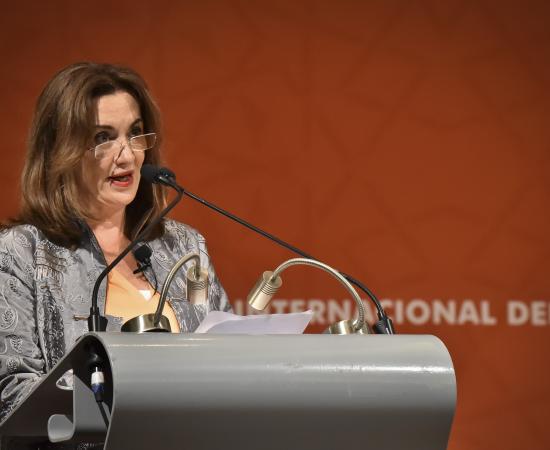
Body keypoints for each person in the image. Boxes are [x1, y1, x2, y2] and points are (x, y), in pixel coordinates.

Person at [0, 62, 231, 425]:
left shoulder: (184, 247)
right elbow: (11, 391)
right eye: (102, 138)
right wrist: (121, 394)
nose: (126, 155)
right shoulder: (22, 253)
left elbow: (229, 356)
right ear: (60, 150)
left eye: (135, 133)